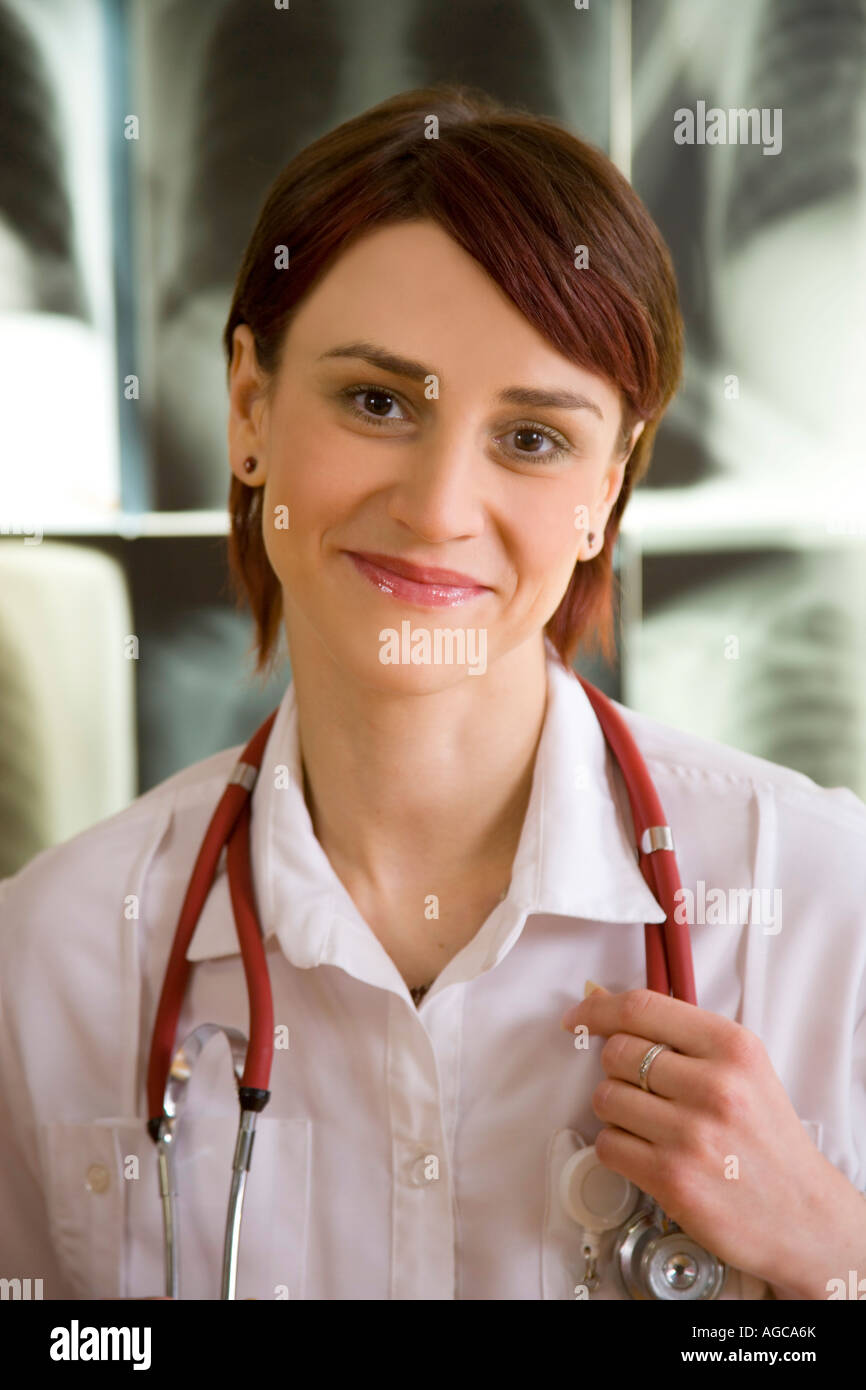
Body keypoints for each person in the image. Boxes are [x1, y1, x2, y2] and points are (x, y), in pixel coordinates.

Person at [1, 83, 864, 1302]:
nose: (438, 507)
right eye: (376, 402)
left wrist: (837, 1258)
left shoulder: (828, 913)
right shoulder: (53, 962)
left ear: (604, 493)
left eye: (531, 438)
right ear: (248, 408)